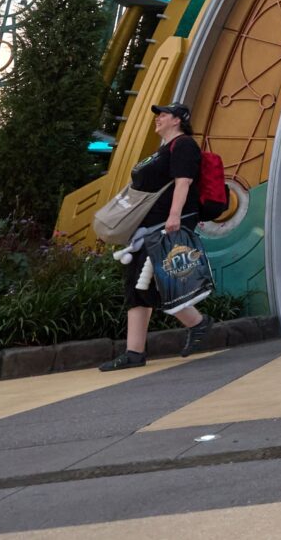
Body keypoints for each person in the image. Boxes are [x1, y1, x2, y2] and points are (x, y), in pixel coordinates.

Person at [100, 102, 213, 370]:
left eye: (164, 114)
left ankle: (195, 324)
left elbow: (183, 181)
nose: (158, 118)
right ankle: (137, 351)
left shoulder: (183, 145)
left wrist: (174, 216)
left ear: (178, 120)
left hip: (166, 225)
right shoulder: (163, 149)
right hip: (151, 226)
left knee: (149, 281)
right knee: (139, 284)